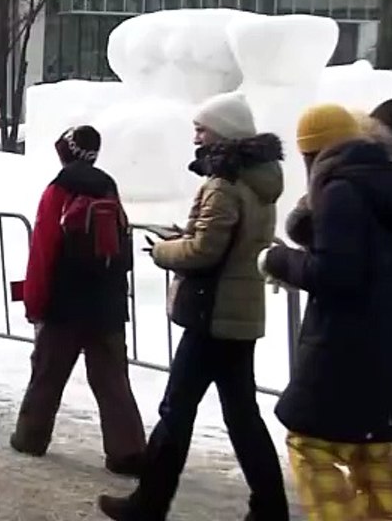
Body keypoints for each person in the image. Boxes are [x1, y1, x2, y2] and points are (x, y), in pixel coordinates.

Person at [99, 90, 289, 521]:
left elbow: (205, 250)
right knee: (241, 416)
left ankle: (148, 505)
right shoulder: (260, 179)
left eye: (201, 130)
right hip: (237, 313)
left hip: (212, 312)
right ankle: (270, 507)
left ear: (222, 134)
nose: (196, 139)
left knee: (176, 410)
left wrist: (165, 251)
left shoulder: (224, 183)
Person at [259, 104, 392, 520]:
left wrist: (279, 261)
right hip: (387, 359)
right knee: (375, 455)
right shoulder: (389, 183)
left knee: (310, 446)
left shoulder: (342, 190)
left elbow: (336, 272)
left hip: (342, 354)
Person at [10, 125, 145, 475]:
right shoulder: (108, 187)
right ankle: (127, 451)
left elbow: (43, 249)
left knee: (47, 374)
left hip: (64, 304)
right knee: (113, 380)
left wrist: (35, 302)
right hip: (107, 304)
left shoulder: (58, 189)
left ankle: (30, 437)